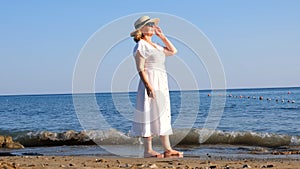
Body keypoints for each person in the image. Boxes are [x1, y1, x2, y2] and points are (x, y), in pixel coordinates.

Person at [129, 16, 183, 158]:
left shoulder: (156, 45)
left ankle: (168, 148)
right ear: (142, 29)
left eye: (153, 24)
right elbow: (140, 68)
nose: (153, 26)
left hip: (162, 82)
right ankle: (148, 150)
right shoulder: (140, 45)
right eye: (150, 24)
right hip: (150, 80)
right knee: (149, 113)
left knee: (163, 112)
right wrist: (148, 86)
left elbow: (173, 51)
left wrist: (162, 36)